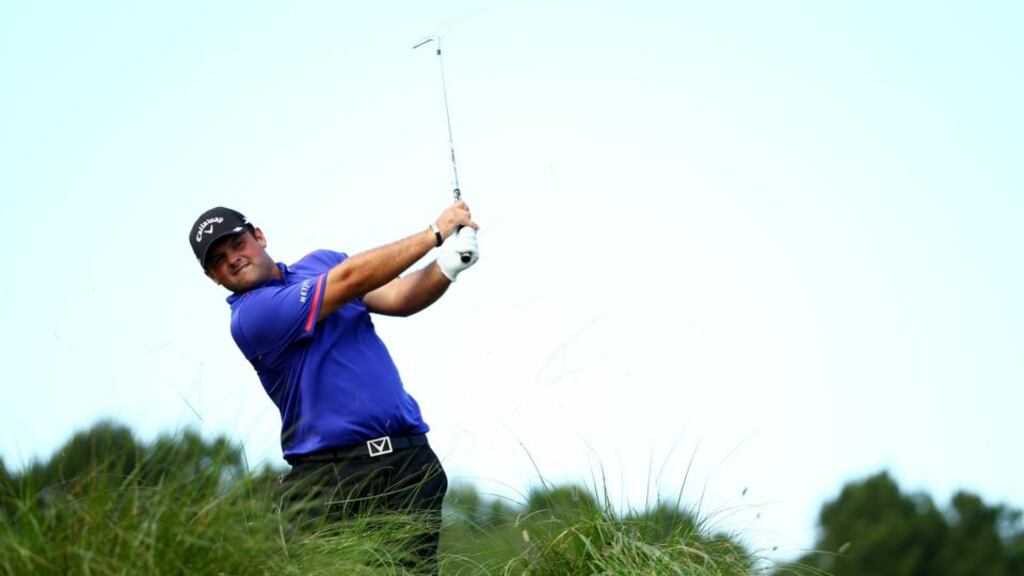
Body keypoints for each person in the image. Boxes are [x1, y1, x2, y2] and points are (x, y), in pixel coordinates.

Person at [188, 202, 479, 573]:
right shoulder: (251, 315)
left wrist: (447, 266)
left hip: (408, 463)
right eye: (218, 259)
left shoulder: (323, 262)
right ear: (211, 276)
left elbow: (399, 296)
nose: (232, 259)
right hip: (333, 480)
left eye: (236, 244)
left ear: (258, 236)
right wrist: (434, 234)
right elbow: (349, 280)